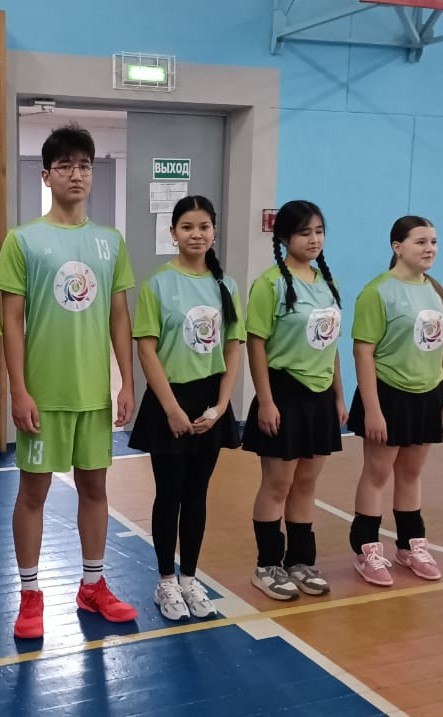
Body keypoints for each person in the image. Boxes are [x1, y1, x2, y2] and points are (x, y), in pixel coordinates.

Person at [0, 123, 138, 639]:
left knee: (94, 488)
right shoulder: (23, 240)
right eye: (65, 166)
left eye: (84, 166)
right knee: (32, 492)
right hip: (43, 394)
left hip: (92, 394)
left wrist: (126, 382)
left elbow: (119, 316)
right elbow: (10, 320)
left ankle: (92, 585)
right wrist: (19, 389)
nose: (76, 174)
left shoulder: (110, 242)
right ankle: (30, 594)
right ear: (47, 175)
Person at [129, 196, 245, 621]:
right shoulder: (158, 284)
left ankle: (191, 579)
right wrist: (172, 409)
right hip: (170, 401)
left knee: (198, 495)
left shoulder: (227, 285)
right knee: (170, 494)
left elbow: (233, 346)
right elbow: (147, 349)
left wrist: (222, 405)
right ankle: (166, 581)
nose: (197, 234)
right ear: (173, 233)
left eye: (204, 227)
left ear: (214, 231)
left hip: (210, 402)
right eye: (187, 227)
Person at [242, 200, 346, 601]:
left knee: (306, 483)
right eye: (305, 233)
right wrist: (266, 401)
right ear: (284, 238)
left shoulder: (327, 283)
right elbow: (256, 344)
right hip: (284, 392)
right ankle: (267, 565)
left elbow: (331, 346)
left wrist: (338, 396)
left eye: (319, 231)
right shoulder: (269, 284)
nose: (314, 239)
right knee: (278, 484)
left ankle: (300, 561)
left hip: (320, 398)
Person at [347, 216, 443, 586]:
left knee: (411, 473)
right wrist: (373, 409)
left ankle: (410, 545)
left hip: (427, 394)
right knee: (377, 473)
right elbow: (363, 352)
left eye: (434, 242)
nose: (430, 249)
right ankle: (366, 549)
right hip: (388, 394)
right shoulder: (377, 292)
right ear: (398, 247)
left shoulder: (440, 292)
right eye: (421, 242)